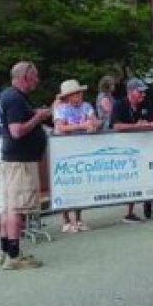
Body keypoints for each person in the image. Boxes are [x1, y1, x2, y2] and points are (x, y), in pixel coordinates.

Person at [0, 61, 53, 270]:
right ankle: (14, 256)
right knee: (16, 209)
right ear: (24, 77)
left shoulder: (10, 97)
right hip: (19, 161)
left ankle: (5, 252)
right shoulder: (14, 99)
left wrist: (34, 115)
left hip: (14, 160)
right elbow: (17, 131)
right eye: (35, 76)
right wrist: (37, 117)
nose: (37, 80)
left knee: (8, 207)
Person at [52, 78, 99, 232]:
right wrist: (82, 126)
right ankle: (66, 221)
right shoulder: (60, 108)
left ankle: (78, 219)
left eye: (80, 93)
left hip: (81, 150)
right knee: (64, 184)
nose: (80, 96)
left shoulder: (86, 106)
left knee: (81, 184)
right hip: (64, 151)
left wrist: (92, 126)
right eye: (76, 94)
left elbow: (95, 121)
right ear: (68, 96)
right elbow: (60, 128)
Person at [110, 77, 153, 222]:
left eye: (144, 92)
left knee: (147, 174)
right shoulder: (119, 104)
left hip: (144, 146)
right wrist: (138, 125)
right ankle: (129, 212)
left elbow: (152, 123)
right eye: (140, 92)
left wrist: (149, 124)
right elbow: (116, 126)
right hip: (123, 149)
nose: (143, 94)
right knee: (130, 178)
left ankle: (147, 201)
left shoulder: (147, 104)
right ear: (130, 92)